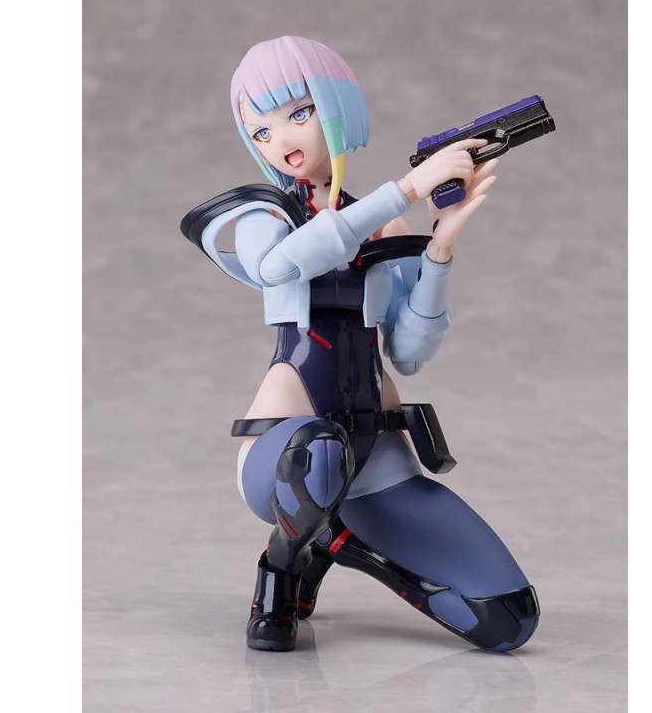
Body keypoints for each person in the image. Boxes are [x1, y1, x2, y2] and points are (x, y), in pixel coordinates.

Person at [181, 36, 540, 652]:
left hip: (376, 457)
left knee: (508, 618)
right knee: (318, 453)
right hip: (286, 453)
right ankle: (281, 571)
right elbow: (278, 266)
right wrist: (405, 189)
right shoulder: (267, 214)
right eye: (261, 130)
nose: (282, 139)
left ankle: (329, 540)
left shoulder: (382, 222)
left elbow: (409, 353)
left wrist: (439, 250)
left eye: (299, 113)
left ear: (337, 107)